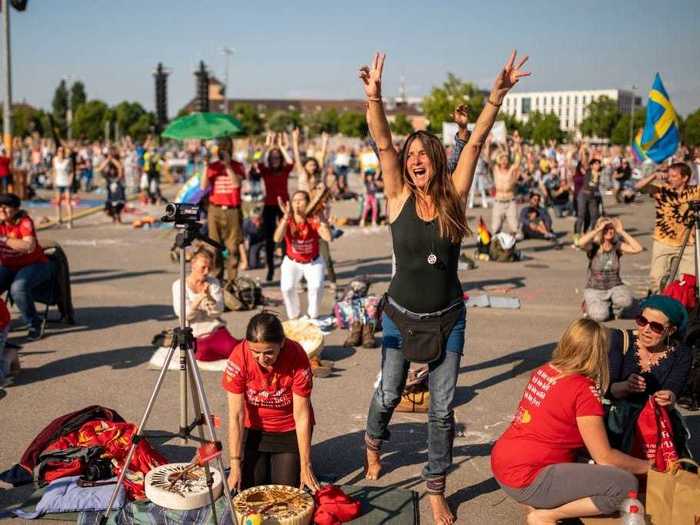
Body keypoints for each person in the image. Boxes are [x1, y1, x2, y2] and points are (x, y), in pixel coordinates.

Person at [360, 50, 529, 525]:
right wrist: (374, 97)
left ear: (435, 160)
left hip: (448, 318)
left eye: (421, 155)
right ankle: (372, 441)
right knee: (390, 393)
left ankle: (436, 487)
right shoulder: (395, 197)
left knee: (440, 410)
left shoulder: (453, 198)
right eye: (409, 156)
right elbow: (383, 142)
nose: (413, 161)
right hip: (398, 317)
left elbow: (473, 145)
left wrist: (494, 99)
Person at [492, 319, 651, 524]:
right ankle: (546, 515)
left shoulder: (547, 369)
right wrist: (650, 466)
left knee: (590, 463)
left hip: (504, 462)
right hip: (528, 478)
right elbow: (605, 457)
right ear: (598, 353)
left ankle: (540, 502)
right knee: (624, 485)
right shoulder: (584, 389)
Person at [223, 311, 320, 492]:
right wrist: (235, 465)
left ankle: (298, 459)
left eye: (269, 353)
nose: (261, 360)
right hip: (253, 430)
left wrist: (306, 465)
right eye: (255, 353)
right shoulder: (239, 356)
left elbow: (302, 416)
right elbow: (236, 416)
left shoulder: (297, 356)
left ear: (282, 343)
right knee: (248, 488)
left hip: (288, 429)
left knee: (285, 491)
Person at [608, 295, 692, 409]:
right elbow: (606, 389)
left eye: (656, 326)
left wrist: (668, 397)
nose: (646, 329)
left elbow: (674, 389)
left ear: (671, 331)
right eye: (642, 321)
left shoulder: (682, 353)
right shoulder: (620, 339)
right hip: (617, 419)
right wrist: (626, 386)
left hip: (653, 420)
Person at [635, 162, 699, 293]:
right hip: (663, 242)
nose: (670, 178)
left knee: (688, 283)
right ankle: (658, 308)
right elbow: (638, 187)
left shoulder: (694, 191)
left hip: (687, 244)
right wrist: (654, 175)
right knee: (657, 281)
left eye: (674, 176)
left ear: (685, 178)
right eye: (669, 175)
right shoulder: (662, 189)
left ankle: (683, 309)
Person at [172, 248, 240, 361]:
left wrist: (209, 297)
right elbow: (184, 315)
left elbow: (218, 312)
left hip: (215, 330)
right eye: (203, 267)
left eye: (209, 268)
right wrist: (199, 299)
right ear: (193, 265)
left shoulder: (213, 282)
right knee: (201, 354)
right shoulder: (179, 285)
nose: (206, 271)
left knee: (235, 350)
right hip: (194, 334)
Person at [0, 193, 51, 341]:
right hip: (9, 266)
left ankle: (34, 323)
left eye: (5, 207)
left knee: (18, 288)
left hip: (35, 264)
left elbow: (29, 246)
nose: (1, 210)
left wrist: (4, 239)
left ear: (15, 209)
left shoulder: (24, 221)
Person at [274, 191, 332, 320]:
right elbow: (277, 238)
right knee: (287, 288)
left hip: (313, 262)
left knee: (316, 287)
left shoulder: (313, 220)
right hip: (292, 261)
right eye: (295, 200)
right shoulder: (288, 219)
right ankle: (294, 316)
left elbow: (328, 237)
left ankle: (313, 316)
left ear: (308, 203)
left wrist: (322, 219)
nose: (297, 203)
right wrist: (285, 217)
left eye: (301, 200)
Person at [577, 217, 642, 321]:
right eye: (606, 228)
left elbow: (638, 248)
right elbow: (579, 243)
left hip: (615, 287)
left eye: (611, 228)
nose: (609, 231)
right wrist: (598, 229)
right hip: (595, 289)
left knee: (626, 301)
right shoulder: (594, 247)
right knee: (600, 316)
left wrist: (622, 231)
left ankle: (612, 307)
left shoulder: (617, 246)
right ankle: (588, 304)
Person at [200, 139, 244, 284]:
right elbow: (203, 186)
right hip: (215, 209)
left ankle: (232, 281)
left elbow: (236, 184)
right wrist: (206, 166)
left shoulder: (237, 166)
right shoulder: (213, 166)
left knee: (233, 247)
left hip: (232, 209)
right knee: (214, 246)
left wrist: (228, 166)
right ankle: (217, 279)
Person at [257, 134, 294, 282]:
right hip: (269, 206)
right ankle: (271, 269)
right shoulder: (265, 171)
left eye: (277, 157)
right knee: (269, 239)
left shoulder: (285, 170)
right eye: (272, 158)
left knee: (286, 238)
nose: (275, 160)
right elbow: (258, 161)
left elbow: (291, 161)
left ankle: (287, 268)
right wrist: (267, 146)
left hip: (284, 207)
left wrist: (282, 148)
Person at [491, 151, 520, 235]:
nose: (504, 161)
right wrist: (488, 145)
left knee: (514, 227)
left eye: (505, 159)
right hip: (498, 201)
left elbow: (518, 161)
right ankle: (497, 245)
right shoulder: (495, 169)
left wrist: (518, 145)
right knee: (495, 228)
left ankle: (512, 245)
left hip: (510, 201)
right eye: (502, 159)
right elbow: (488, 159)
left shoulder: (512, 169)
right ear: (499, 161)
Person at [575, 158, 603, 238]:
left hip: (593, 197)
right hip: (583, 195)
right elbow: (583, 161)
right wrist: (583, 151)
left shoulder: (599, 174)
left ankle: (591, 234)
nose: (598, 165)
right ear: (591, 165)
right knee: (581, 215)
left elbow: (596, 188)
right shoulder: (588, 172)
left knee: (595, 216)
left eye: (599, 164)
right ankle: (577, 236)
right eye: (596, 164)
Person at [97, 149, 125, 223]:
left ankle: (118, 216)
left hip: (118, 185)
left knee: (119, 203)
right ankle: (114, 216)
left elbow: (120, 168)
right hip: (110, 185)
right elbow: (100, 169)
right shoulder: (107, 163)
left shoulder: (118, 162)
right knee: (111, 204)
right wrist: (108, 160)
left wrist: (112, 159)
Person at [52, 146, 73, 228]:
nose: (61, 153)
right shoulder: (55, 159)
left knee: (68, 201)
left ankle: (70, 220)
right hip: (58, 182)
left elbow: (71, 171)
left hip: (66, 182)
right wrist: (53, 180)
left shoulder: (68, 160)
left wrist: (70, 180)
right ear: (57, 152)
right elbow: (54, 170)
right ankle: (59, 219)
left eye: (62, 151)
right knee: (58, 202)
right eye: (59, 151)